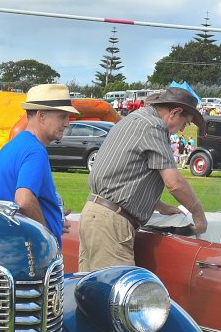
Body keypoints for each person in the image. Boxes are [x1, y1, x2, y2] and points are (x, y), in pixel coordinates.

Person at [78, 87, 208, 271]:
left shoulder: (133, 119)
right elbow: (174, 183)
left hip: (94, 214)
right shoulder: (154, 126)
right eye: (185, 124)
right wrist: (198, 215)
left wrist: (161, 206)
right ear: (175, 112)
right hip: (111, 223)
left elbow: (124, 177)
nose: (181, 130)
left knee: (90, 285)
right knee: (115, 287)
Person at [0, 83, 77, 246]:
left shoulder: (11, 146)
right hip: (26, 249)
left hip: (5, 243)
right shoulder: (36, 151)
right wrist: (47, 236)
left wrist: (52, 220)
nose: (67, 123)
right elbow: (24, 200)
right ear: (41, 115)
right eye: (62, 116)